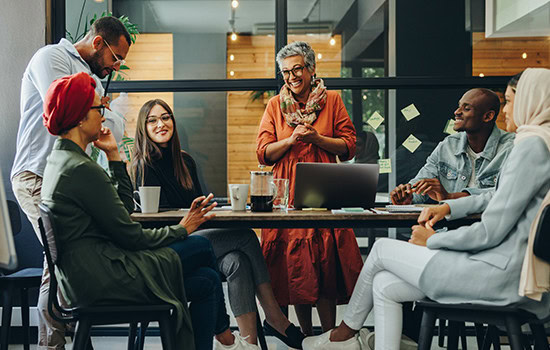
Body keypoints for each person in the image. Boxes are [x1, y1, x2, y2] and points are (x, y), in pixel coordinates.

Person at [302, 68, 550, 350]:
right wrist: (447, 207)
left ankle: (342, 336)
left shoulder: (529, 146)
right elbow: (495, 196)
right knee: (383, 283)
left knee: (381, 249)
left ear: (531, 98)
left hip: (499, 274)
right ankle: (349, 339)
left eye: (509, 100)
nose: (507, 109)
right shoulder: (541, 141)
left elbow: (490, 232)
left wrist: (433, 240)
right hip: (506, 269)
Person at [40, 72, 259, 350]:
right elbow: (131, 235)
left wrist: (114, 156)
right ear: (81, 116)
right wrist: (182, 229)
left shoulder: (61, 162)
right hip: (105, 279)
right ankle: (227, 340)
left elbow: (123, 207)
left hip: (87, 277)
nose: (103, 114)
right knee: (202, 247)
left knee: (207, 280)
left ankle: (225, 341)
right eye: (98, 108)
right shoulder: (80, 169)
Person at [130, 99, 305, 349]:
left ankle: (248, 343)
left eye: (166, 117)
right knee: (245, 237)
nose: (161, 124)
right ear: (143, 128)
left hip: (197, 240)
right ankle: (275, 317)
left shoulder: (184, 161)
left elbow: (198, 209)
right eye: (153, 120)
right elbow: (157, 225)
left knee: (238, 261)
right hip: (170, 247)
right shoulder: (142, 165)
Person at [10, 16, 130, 349]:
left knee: (67, 256)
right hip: (37, 176)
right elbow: (68, 109)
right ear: (98, 43)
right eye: (115, 58)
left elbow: (112, 129)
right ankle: (54, 344)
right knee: (60, 257)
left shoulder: (91, 76)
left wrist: (100, 106)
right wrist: (98, 105)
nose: (117, 67)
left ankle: (74, 340)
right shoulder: (51, 57)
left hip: (65, 181)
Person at [256, 41, 363, 335]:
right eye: (286, 72)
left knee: (325, 263)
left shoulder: (333, 100)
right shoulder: (275, 105)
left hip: (324, 188)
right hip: (286, 192)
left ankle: (327, 336)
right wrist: (290, 141)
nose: (291, 77)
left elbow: (349, 146)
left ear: (311, 69)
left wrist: (317, 138)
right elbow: (263, 152)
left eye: (297, 69)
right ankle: (305, 338)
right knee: (294, 267)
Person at [390, 88, 515, 205]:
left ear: (488, 116)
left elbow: (505, 194)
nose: (457, 112)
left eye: (466, 108)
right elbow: (422, 182)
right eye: (459, 106)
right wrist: (408, 195)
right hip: (447, 228)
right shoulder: (448, 145)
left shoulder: (511, 148)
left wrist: (450, 197)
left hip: (488, 227)